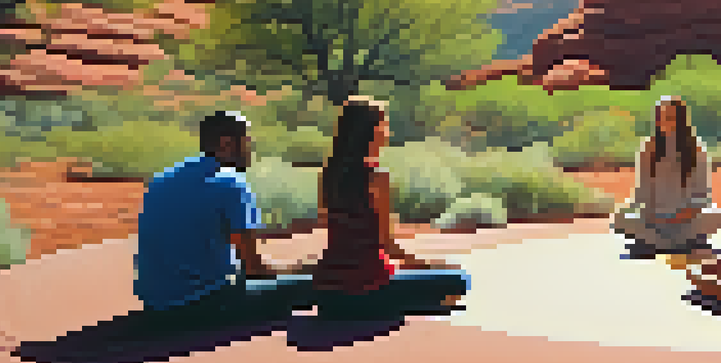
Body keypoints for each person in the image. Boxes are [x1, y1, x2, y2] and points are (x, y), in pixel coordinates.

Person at [133, 111, 317, 330]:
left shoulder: (163, 179)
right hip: (204, 305)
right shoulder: (230, 183)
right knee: (316, 283)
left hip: (155, 305)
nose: (251, 150)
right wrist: (298, 270)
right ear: (227, 144)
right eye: (248, 142)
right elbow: (254, 269)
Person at [310, 97, 471, 319]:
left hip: (327, 293)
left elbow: (329, 227)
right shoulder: (376, 178)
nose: (386, 133)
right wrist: (428, 265)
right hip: (368, 289)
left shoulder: (327, 176)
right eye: (383, 125)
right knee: (458, 278)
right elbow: (387, 245)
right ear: (371, 131)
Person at [612, 96, 721, 260]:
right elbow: (642, 191)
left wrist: (680, 216)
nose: (665, 122)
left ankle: (657, 244)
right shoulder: (649, 148)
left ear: (681, 120)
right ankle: (680, 245)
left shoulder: (696, 149)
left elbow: (701, 195)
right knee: (621, 218)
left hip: (687, 220)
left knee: (713, 216)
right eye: (661, 118)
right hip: (654, 220)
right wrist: (651, 215)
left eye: (670, 117)